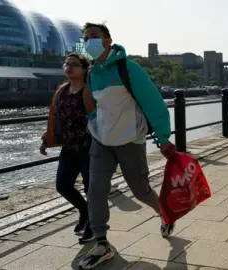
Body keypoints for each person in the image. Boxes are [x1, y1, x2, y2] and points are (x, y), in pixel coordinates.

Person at [78, 22, 177, 269]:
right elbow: (97, 105)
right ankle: (101, 243)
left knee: (141, 190)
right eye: (86, 37)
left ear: (108, 40)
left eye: (95, 36)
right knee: (95, 191)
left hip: (130, 139)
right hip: (102, 140)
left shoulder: (127, 68)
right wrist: (92, 121)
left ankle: (165, 213)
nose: (90, 41)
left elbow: (153, 102)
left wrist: (164, 138)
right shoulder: (92, 73)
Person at [40, 53, 95, 243]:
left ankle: (94, 225)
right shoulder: (62, 91)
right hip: (69, 147)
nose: (69, 67)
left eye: (74, 64)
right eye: (67, 64)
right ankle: (85, 212)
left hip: (89, 147)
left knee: (91, 189)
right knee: (63, 185)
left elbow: (101, 115)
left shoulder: (90, 90)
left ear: (84, 69)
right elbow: (56, 119)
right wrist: (48, 139)